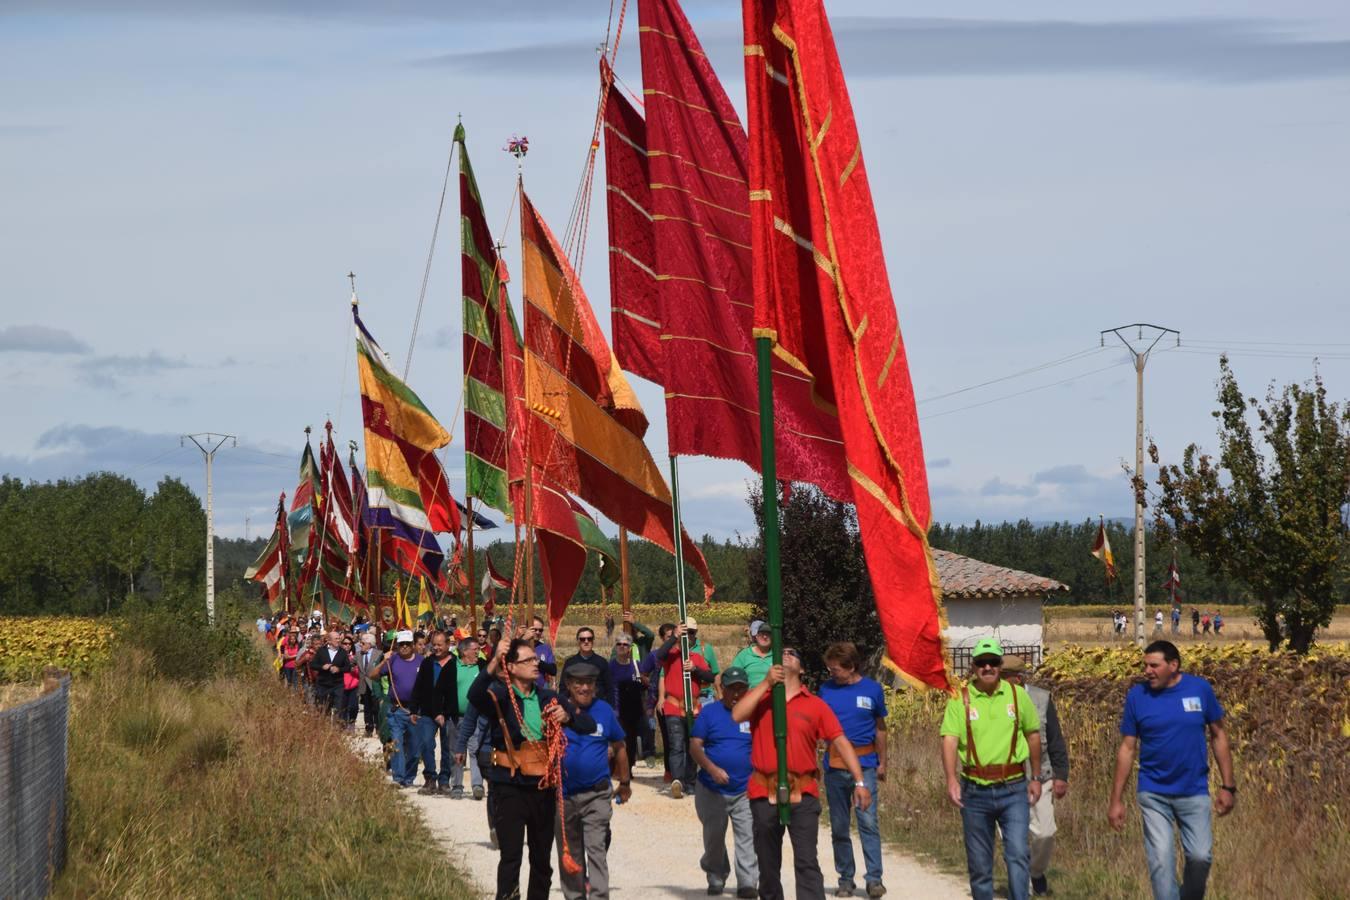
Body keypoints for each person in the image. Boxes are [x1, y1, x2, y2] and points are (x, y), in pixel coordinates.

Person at [733, 647, 870, 900]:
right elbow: (737, 714)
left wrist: (860, 781)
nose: (785, 654)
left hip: (803, 791)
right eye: (781, 652)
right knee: (767, 863)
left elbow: (840, 741)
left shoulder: (815, 705)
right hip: (764, 789)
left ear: (802, 668)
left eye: (793, 653)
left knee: (807, 861)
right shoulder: (761, 698)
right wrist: (766, 683)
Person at [468, 637, 597, 900]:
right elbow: (474, 695)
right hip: (510, 785)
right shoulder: (500, 696)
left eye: (535, 659)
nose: (535, 664)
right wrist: (494, 661)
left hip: (543, 787)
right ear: (512, 667)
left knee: (541, 859)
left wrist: (568, 716)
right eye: (527, 660)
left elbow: (589, 725)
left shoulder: (549, 697)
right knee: (511, 856)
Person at [1108, 640, 1234, 900]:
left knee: (1200, 857)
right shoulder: (1137, 697)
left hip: (1194, 790)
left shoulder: (1200, 689)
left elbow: (1219, 736)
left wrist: (1228, 786)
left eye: (1154, 665)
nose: (1147, 671)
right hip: (1153, 793)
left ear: (1173, 665)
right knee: (1161, 863)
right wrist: (1116, 800)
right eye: (1145, 665)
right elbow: (1127, 749)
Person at [940, 637, 1042, 900]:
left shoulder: (1017, 696)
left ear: (1000, 665)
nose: (987, 668)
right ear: (973, 667)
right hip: (974, 790)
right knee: (980, 864)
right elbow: (949, 741)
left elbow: (1032, 735)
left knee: (1018, 854)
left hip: (1014, 787)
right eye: (982, 663)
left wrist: (1037, 777)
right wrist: (951, 779)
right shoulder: (959, 700)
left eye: (993, 662)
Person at [818, 642, 888, 898]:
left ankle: (874, 879)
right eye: (830, 669)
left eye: (836, 669)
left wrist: (883, 762)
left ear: (851, 666)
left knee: (868, 823)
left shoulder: (872, 690)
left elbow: (880, 728)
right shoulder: (825, 690)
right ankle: (845, 879)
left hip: (866, 764)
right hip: (834, 767)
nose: (832, 673)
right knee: (839, 826)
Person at [557, 662, 630, 900]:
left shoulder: (605, 711)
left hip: (596, 794)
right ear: (568, 685)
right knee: (571, 854)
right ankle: (575, 896)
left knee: (596, 849)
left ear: (595, 687)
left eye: (589, 683)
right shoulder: (556, 711)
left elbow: (620, 747)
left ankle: (599, 896)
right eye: (578, 683)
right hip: (564, 797)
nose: (584, 688)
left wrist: (625, 782)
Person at [1001, 656, 1070, 898]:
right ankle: (1020, 889)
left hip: (1042, 777)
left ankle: (1036, 872)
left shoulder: (1041, 699)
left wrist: (1062, 775)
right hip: (1006, 780)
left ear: (1017, 679)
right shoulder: (992, 700)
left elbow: (1055, 739)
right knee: (1014, 840)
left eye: (1003, 678)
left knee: (1045, 832)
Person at [689, 666, 759, 899]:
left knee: (747, 836)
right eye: (732, 689)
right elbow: (695, 746)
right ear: (723, 690)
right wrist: (712, 768)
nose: (737, 693)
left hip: (744, 789)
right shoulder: (710, 713)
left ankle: (747, 882)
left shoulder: (754, 713)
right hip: (712, 788)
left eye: (742, 688)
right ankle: (716, 874)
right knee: (714, 836)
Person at [657, 623, 715, 799]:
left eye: (690, 634)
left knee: (693, 746)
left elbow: (710, 677)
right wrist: (674, 635)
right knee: (676, 745)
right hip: (674, 707)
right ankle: (678, 781)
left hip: (694, 708)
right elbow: (660, 654)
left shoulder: (696, 657)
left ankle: (691, 782)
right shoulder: (671, 656)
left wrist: (695, 669)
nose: (687, 637)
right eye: (684, 634)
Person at [412, 631, 461, 795]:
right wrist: (413, 709)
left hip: (448, 712)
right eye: (434, 644)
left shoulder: (456, 663)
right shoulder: (427, 663)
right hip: (427, 711)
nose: (437, 648)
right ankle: (430, 778)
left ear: (448, 645)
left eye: (440, 644)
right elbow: (418, 686)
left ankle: (444, 780)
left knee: (448, 747)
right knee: (426, 743)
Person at [372, 630, 422, 788]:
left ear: (413, 645)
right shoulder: (392, 660)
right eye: (402, 644)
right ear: (397, 646)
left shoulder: (422, 661)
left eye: (408, 644)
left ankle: (409, 777)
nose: (405, 647)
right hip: (396, 709)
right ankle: (398, 778)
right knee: (396, 744)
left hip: (415, 711)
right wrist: (383, 661)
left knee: (414, 748)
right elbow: (372, 676)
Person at [450, 634, 487, 800]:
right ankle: (456, 785)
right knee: (456, 751)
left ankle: (477, 785)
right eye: (475, 650)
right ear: (464, 652)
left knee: (474, 750)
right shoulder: (452, 667)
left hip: (476, 717)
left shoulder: (481, 667)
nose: (478, 653)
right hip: (455, 717)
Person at [609, 631, 649, 773]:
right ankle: (618, 769)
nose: (621, 647)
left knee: (631, 740)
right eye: (618, 644)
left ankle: (629, 767)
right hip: (617, 709)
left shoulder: (636, 665)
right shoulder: (610, 666)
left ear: (630, 648)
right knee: (620, 740)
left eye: (625, 645)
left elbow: (646, 684)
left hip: (634, 709)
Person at [307, 629, 352, 717]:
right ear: (329, 641)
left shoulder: (342, 652)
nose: (338, 641)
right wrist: (322, 667)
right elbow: (312, 665)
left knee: (338, 709)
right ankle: (325, 727)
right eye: (336, 639)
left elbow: (348, 668)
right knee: (324, 709)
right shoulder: (321, 651)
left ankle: (337, 728)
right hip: (323, 684)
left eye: (339, 638)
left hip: (337, 685)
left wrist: (339, 669)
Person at [562, 626, 613, 703]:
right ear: (578, 641)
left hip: (597, 706)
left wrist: (610, 708)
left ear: (593, 641)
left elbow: (610, 688)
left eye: (589, 639)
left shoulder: (602, 662)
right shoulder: (570, 663)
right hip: (576, 707)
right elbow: (563, 688)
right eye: (582, 639)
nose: (586, 641)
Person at [685, 616, 721, 702]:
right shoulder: (676, 650)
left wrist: (720, 694)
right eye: (685, 632)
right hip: (682, 696)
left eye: (691, 632)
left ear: (696, 632)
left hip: (704, 695)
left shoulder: (706, 648)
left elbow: (715, 674)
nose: (688, 635)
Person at [356, 632, 384, 737]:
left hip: (375, 684)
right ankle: (368, 729)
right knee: (367, 708)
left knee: (376, 707)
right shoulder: (358, 654)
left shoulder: (379, 653)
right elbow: (351, 663)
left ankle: (379, 728)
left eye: (362, 643)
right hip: (364, 685)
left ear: (369, 644)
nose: (360, 645)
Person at [730, 620, 774, 688]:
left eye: (768, 634)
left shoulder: (777, 655)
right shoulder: (744, 654)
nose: (765, 637)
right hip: (750, 695)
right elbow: (733, 676)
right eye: (762, 633)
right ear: (756, 636)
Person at [527, 616, 557, 688]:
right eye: (535, 629)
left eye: (540, 630)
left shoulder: (546, 648)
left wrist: (539, 662)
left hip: (541, 688)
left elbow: (553, 670)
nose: (538, 632)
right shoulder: (520, 645)